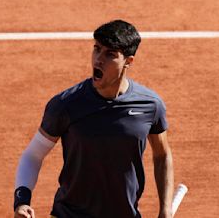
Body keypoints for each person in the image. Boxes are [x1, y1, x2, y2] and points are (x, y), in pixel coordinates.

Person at [14, 20, 174, 218]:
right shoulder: (66, 104)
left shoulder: (150, 105)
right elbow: (33, 155)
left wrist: (165, 210)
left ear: (128, 61)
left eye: (110, 54)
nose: (98, 59)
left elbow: (162, 155)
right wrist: (21, 201)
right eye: (96, 49)